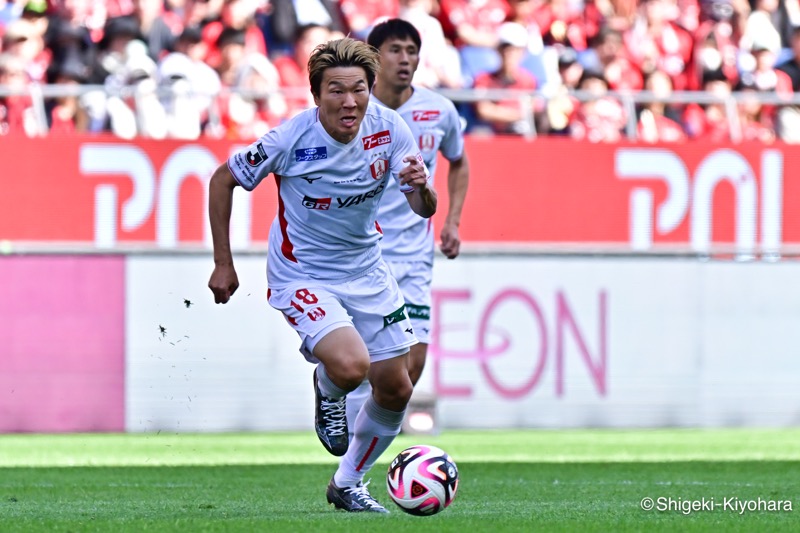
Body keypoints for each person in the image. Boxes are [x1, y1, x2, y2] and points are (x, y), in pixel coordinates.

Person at [207, 37, 437, 513]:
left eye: (358, 89)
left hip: (367, 269)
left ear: (371, 89)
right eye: (335, 90)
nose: (348, 101)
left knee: (397, 386)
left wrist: (422, 189)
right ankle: (328, 388)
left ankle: (348, 483)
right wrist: (223, 262)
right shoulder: (292, 138)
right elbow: (222, 179)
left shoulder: (390, 128)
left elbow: (422, 207)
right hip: (302, 273)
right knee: (351, 367)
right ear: (316, 96)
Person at [343, 18, 469, 432]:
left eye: (412, 51)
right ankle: (352, 453)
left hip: (414, 255)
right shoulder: (353, 113)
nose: (405, 59)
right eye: (396, 50)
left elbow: (459, 161)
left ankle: (358, 444)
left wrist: (451, 220)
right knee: (360, 361)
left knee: (409, 369)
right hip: (363, 254)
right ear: (375, 58)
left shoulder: (439, 110)